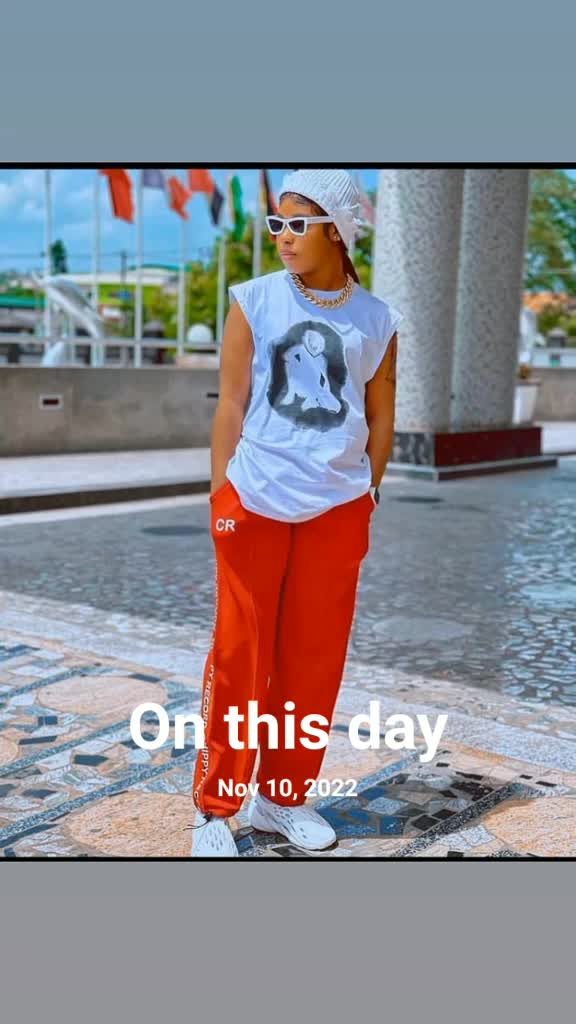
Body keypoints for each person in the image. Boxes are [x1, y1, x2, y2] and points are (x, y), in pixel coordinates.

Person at [188, 168, 404, 856]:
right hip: (254, 498)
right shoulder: (253, 300)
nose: (282, 237)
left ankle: (281, 799)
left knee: (313, 662)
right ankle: (215, 809)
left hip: (337, 507)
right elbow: (230, 404)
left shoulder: (377, 319)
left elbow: (381, 414)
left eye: (297, 224)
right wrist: (221, 493)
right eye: (276, 224)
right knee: (240, 655)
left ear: (335, 231)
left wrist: (368, 491)